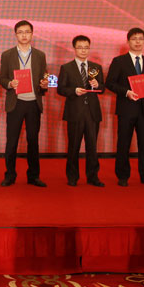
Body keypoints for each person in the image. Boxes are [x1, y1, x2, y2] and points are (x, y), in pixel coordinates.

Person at [106, 27, 144, 187]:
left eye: (140, 39)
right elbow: (110, 83)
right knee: (124, 143)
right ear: (128, 41)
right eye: (134, 39)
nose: (137, 42)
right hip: (126, 107)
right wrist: (126, 92)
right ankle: (123, 175)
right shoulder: (119, 61)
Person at [0, 20, 49, 187]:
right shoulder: (7, 55)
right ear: (16, 35)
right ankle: (9, 175)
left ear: (32, 34)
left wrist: (44, 84)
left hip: (33, 103)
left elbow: (43, 77)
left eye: (27, 32)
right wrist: (9, 83)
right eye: (20, 32)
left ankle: (33, 176)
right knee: (11, 141)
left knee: (33, 141)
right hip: (16, 102)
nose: (24, 35)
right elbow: (2, 78)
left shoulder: (40, 55)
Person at [56, 35, 105, 187]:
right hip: (74, 112)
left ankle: (93, 177)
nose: (83, 50)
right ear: (74, 49)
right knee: (73, 147)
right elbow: (60, 89)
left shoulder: (96, 67)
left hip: (92, 112)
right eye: (80, 47)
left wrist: (97, 85)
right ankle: (72, 177)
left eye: (86, 48)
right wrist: (74, 91)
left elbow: (103, 88)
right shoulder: (66, 67)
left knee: (92, 147)